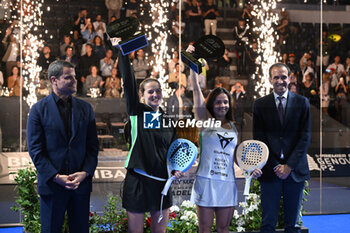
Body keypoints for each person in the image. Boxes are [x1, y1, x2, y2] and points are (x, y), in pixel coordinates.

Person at [27, 60, 99, 233]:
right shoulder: (38, 110)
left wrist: (85, 173)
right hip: (52, 186)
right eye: (68, 77)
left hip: (80, 186)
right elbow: (36, 150)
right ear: (54, 80)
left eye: (74, 77)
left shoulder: (86, 109)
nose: (74, 80)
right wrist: (55, 176)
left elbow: (93, 146)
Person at [118, 49, 182, 233]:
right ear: (142, 96)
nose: (155, 94)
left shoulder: (168, 120)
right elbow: (128, 83)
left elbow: (174, 149)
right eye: (150, 91)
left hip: (162, 182)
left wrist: (176, 167)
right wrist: (123, 53)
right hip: (138, 181)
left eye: (158, 91)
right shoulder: (137, 113)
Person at [189, 69, 260, 233]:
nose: (222, 106)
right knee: (204, 229)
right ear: (211, 104)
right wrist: (193, 71)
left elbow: (236, 156)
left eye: (225, 102)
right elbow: (196, 91)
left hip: (227, 183)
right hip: (206, 182)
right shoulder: (204, 121)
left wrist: (249, 168)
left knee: (224, 229)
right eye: (218, 102)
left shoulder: (235, 127)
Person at [253, 63, 311, 233]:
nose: (280, 81)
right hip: (271, 171)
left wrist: (289, 166)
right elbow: (259, 139)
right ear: (270, 79)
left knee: (292, 225)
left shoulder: (302, 103)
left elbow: (305, 137)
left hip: (295, 171)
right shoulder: (260, 104)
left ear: (289, 78)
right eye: (276, 77)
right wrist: (275, 165)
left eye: (283, 77)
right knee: (268, 224)